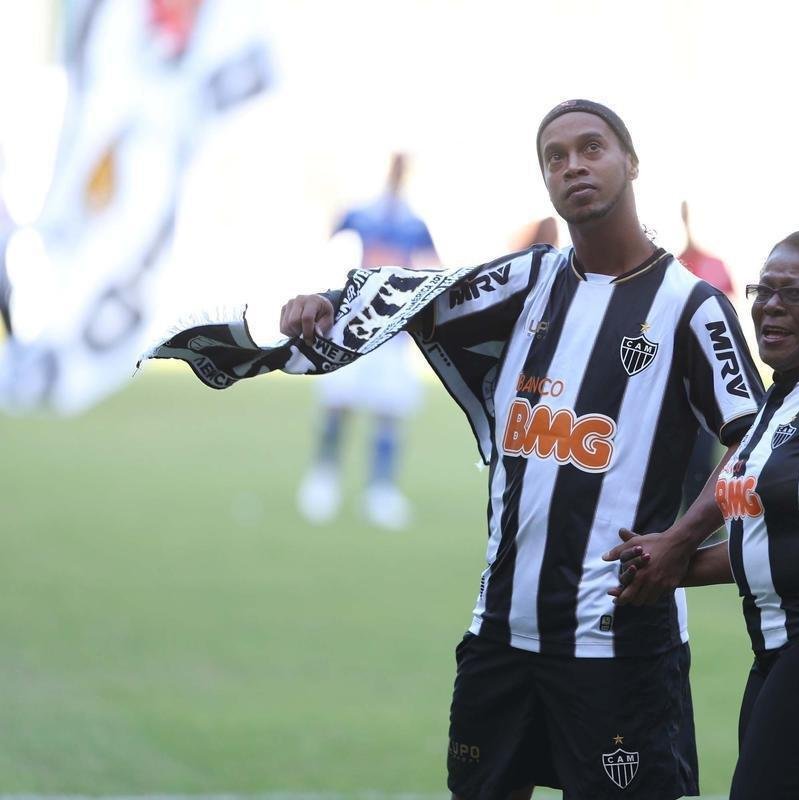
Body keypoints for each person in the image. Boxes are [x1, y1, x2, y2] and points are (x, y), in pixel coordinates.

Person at [279, 99, 764, 800]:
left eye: (591, 148)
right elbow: (421, 296)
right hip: (500, 637)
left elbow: (756, 438)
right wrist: (327, 300)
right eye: (555, 157)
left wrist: (682, 541)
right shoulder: (530, 279)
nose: (574, 166)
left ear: (631, 162)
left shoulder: (692, 308)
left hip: (617, 644)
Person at [609, 230, 799, 800]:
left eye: (795, 294)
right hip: (785, 646)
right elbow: (770, 543)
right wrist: (667, 564)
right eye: (764, 290)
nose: (770, 305)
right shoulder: (784, 397)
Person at [296, 153, 439, 530]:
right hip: (352, 326)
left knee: (389, 413)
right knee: (338, 405)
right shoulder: (361, 213)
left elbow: (434, 266)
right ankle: (324, 480)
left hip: (391, 334)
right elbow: (327, 236)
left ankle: (380, 490)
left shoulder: (414, 223)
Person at [678, 201, 736, 510]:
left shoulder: (714, 265)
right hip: (673, 384)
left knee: (703, 462)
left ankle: (698, 530)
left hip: (710, 381)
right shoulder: (673, 264)